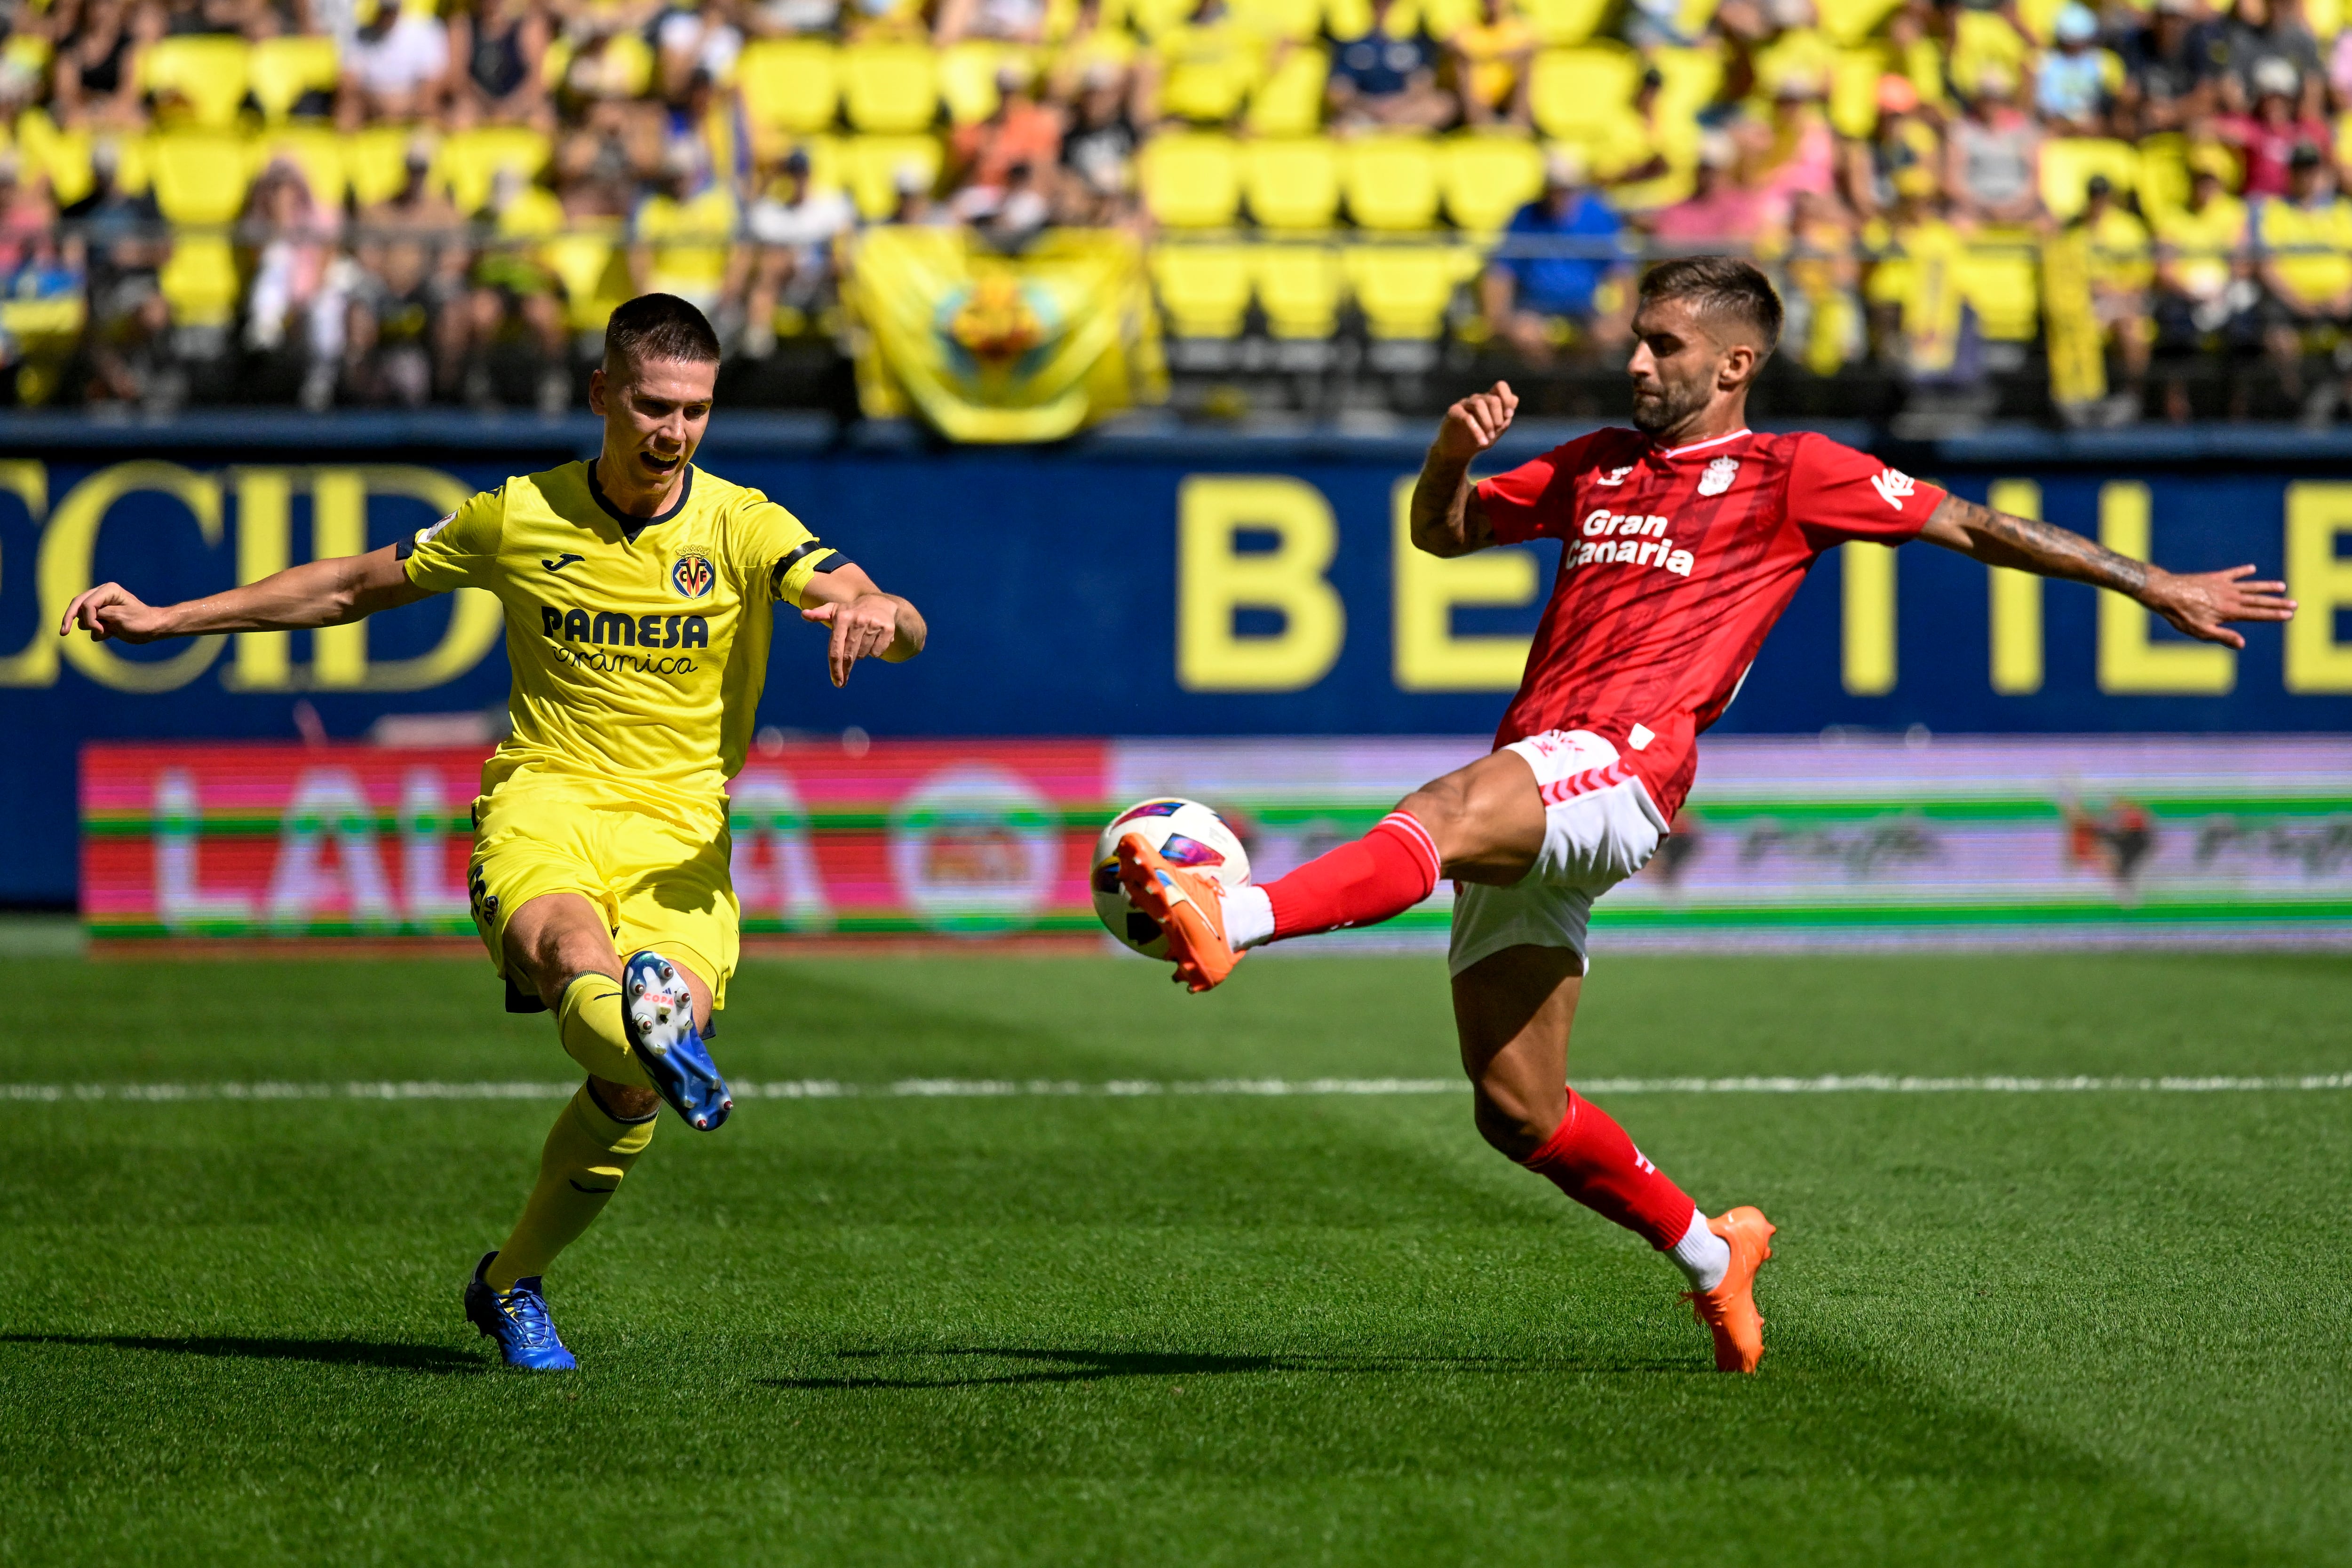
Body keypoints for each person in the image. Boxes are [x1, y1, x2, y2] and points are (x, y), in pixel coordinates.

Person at [1112, 256, 2295, 1375]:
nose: (1635, 360)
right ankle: (1712, 1250)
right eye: (1635, 339)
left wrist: (2156, 584)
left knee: (1440, 809)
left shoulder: (1796, 471)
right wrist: (1444, 455)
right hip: (1542, 772)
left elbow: (1975, 526)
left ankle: (1238, 911)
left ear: (1733, 365)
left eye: (1662, 344)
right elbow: (1443, 530)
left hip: (1623, 768)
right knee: (1517, 1111)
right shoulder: (1595, 463)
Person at [57, 293, 930, 1371]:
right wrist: (166, 617)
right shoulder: (519, 515)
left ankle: (511, 1279)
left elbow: (863, 596)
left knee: (634, 1074)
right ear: (603, 392)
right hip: (545, 806)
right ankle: (646, 1027)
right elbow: (347, 587)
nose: (675, 432)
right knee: (576, 956)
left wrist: (882, 614)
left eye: (697, 412)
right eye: (656, 406)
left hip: (681, 840)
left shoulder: (744, 525)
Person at [1480, 154, 1631, 365]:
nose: (1559, 196)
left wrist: (1627, 318)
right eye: (1554, 188)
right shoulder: (1526, 216)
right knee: (1526, 335)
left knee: (1606, 334)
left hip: (1585, 308)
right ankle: (1552, 389)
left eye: (1566, 189)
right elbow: (1501, 271)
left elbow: (1620, 270)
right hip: (1533, 306)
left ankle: (1572, 390)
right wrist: (1497, 319)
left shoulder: (1597, 214)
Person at [2253, 140, 2352, 420]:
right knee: (2276, 330)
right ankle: (2301, 400)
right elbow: (2266, 265)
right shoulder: (2275, 211)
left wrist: (2346, 296)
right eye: (2300, 170)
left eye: (2312, 169)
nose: (2306, 176)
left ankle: (2340, 392)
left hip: (2340, 299)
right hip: (2292, 300)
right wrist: (2299, 301)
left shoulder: (2344, 213)